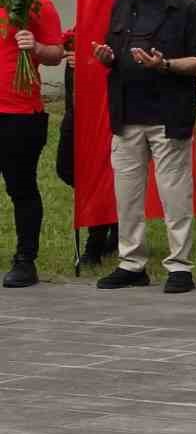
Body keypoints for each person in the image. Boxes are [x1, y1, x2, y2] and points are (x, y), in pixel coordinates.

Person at [91, 0, 196, 293]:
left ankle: (180, 266)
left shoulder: (186, 9)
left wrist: (165, 64)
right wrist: (107, 57)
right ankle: (131, 263)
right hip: (127, 115)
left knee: (174, 195)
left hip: (168, 116)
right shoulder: (122, 6)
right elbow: (116, 54)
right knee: (127, 195)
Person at [0, 0, 65, 288]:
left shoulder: (37, 5)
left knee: (20, 187)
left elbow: (56, 53)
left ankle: (26, 260)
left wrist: (35, 46)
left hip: (19, 114)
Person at [55, 28, 120, 272]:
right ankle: (115, 218)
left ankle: (95, 245)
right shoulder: (82, 23)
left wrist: (88, 61)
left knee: (96, 176)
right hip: (76, 111)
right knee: (66, 168)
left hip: (103, 111)